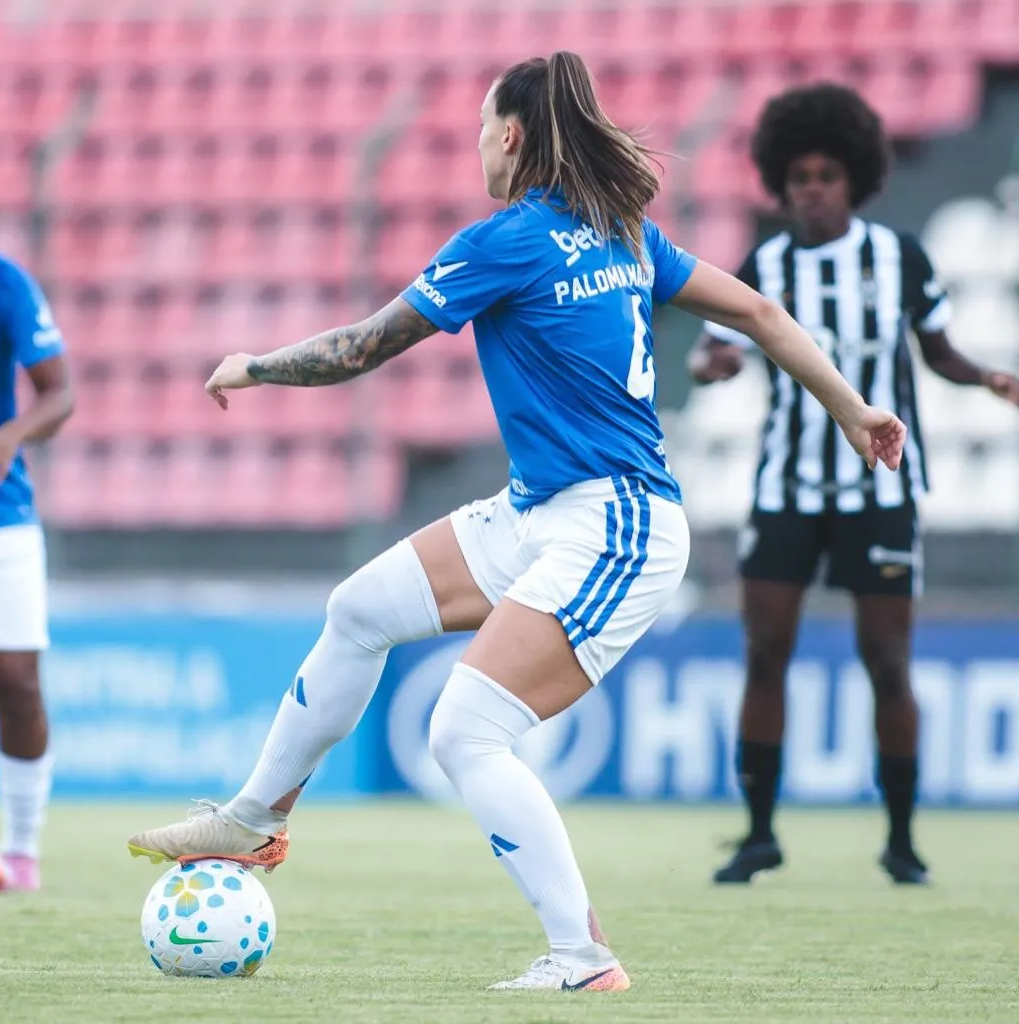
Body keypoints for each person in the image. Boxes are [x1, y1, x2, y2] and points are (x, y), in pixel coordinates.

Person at [128, 54, 905, 990]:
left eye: (480, 130)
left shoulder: (507, 239)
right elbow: (763, 312)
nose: (475, 149)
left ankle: (582, 959)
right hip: (542, 510)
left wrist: (255, 364)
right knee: (359, 608)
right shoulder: (621, 233)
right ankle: (254, 818)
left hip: (617, 523)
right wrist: (854, 408)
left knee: (465, 730)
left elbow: (362, 346)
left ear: (510, 137)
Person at [689, 84, 1019, 887]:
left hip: (880, 490)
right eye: (797, 174)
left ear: (856, 177)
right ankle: (760, 833)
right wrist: (712, 364)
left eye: (826, 173)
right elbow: (710, 353)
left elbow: (937, 351)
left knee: (887, 662)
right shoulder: (762, 264)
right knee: (765, 654)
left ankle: (902, 842)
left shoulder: (898, 256)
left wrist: (987, 378)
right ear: (780, 178)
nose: (810, 187)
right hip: (786, 488)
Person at [0, 253, 73, 892]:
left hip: (4, 515)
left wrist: (10, 435)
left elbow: (61, 391)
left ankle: (20, 852)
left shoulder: (5, 279)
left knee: (17, 682)